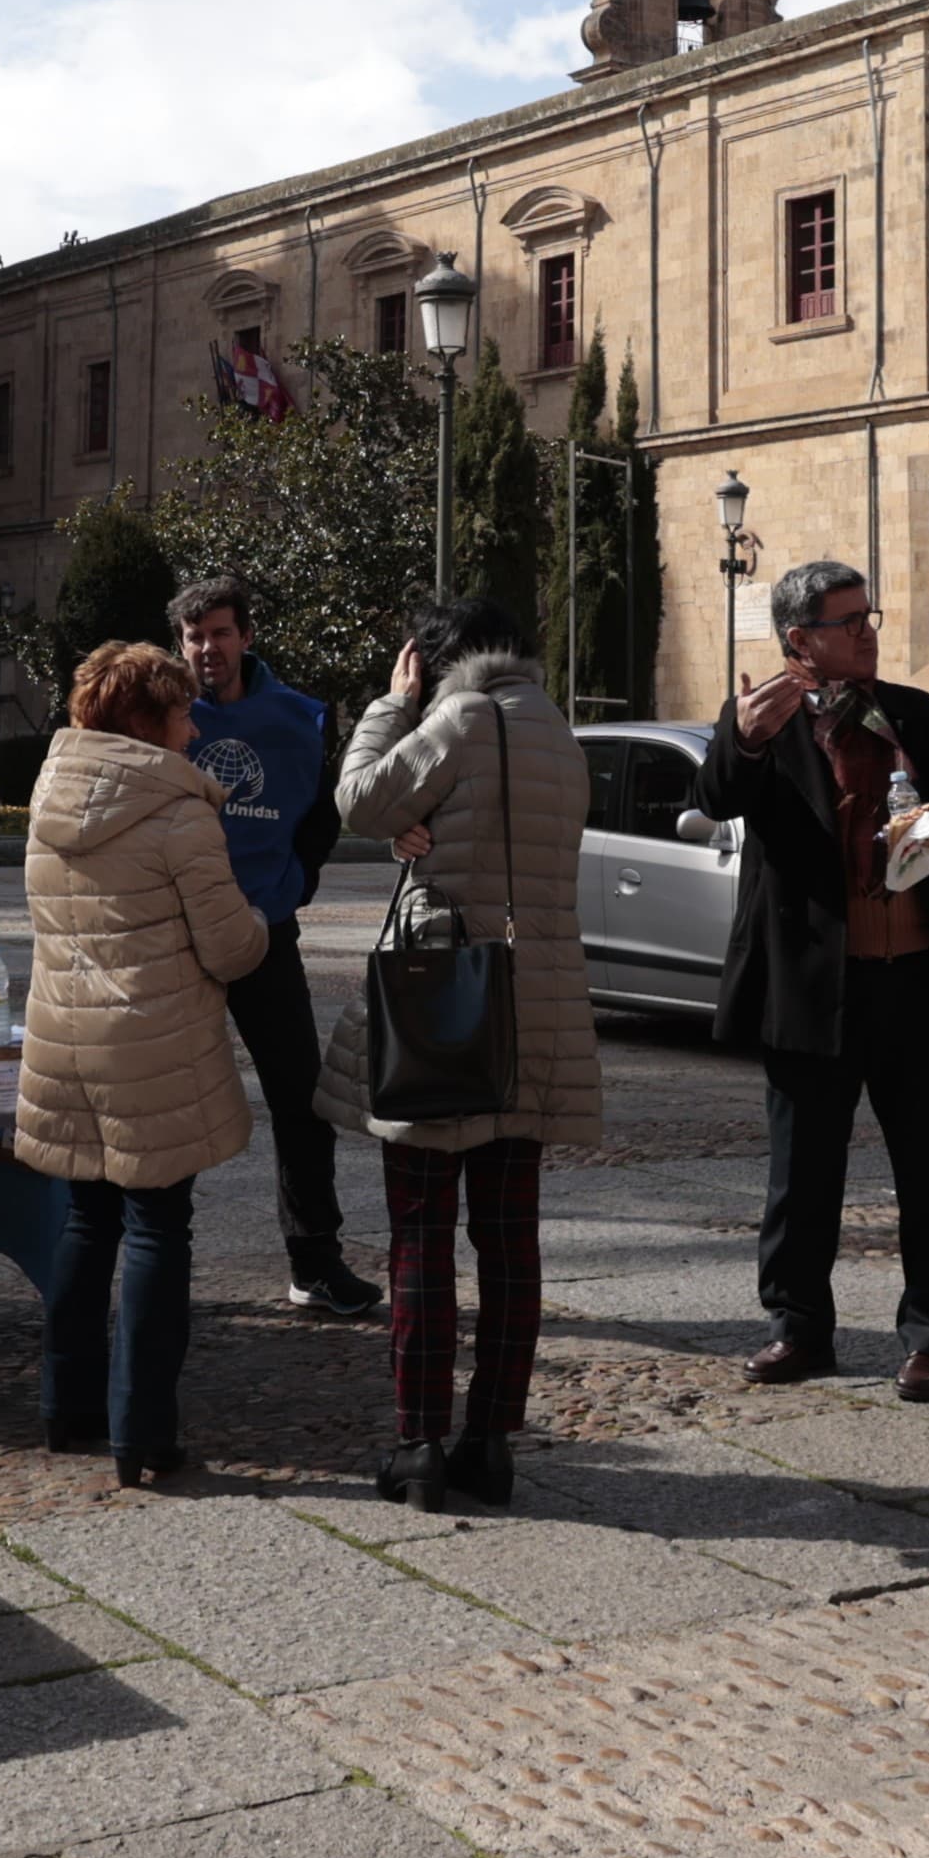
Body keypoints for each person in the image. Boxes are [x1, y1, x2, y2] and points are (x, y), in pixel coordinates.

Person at [692, 557, 929, 1403]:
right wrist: (746, 737)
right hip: (810, 984)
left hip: (914, 980)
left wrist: (927, 833)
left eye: (870, 615)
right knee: (803, 1170)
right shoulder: (761, 721)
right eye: (847, 620)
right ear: (801, 639)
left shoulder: (915, 713)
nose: (867, 631)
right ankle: (797, 1328)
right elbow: (717, 794)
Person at [323, 594, 599, 1510]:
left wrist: (388, 707)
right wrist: (424, 830)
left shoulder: (457, 714)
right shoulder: (557, 729)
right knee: (510, 1242)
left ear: (439, 660)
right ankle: (492, 1440)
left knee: (421, 1238)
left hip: (445, 1010)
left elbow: (359, 798)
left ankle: (418, 1444)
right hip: (536, 1014)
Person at [14, 641, 273, 1483]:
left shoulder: (47, 798)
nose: (195, 728)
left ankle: (67, 1406)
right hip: (154, 1046)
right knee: (158, 1225)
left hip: (64, 1036)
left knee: (86, 1221)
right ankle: (143, 1431)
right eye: (182, 712)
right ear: (142, 720)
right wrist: (265, 922)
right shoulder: (180, 812)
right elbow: (232, 947)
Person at [170, 577, 379, 1317]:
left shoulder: (298, 718)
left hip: (263, 932)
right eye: (195, 636)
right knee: (166, 1102)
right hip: (176, 940)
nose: (207, 649)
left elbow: (320, 818)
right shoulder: (161, 714)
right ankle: (159, 1260)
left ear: (245, 636)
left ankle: (314, 1260)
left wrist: (295, 886)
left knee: (300, 1094)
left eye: (220, 633)